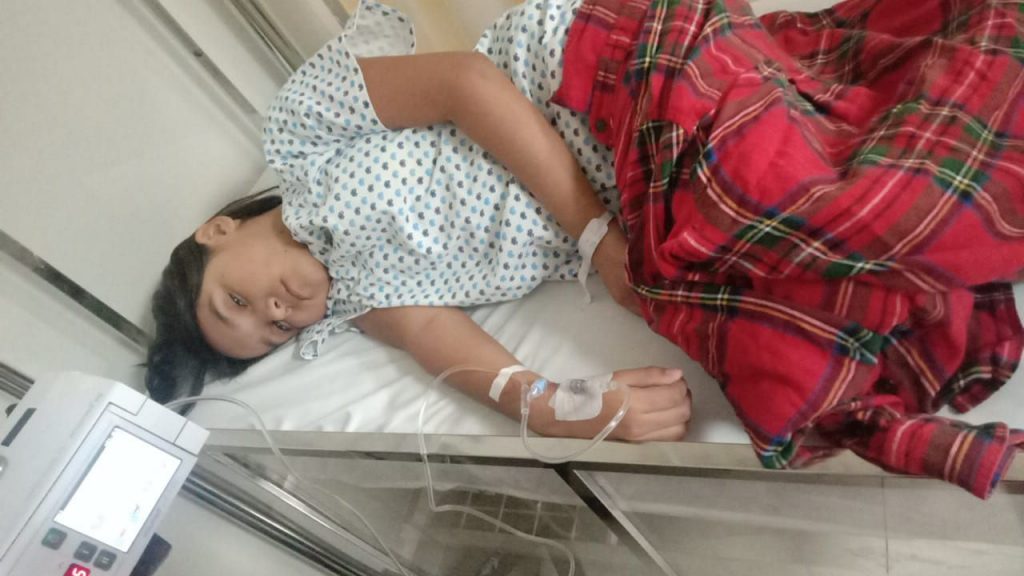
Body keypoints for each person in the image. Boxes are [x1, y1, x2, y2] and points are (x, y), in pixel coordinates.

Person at [146, 0, 693, 442]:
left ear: (218, 230)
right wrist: (556, 410)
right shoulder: (362, 303)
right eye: (278, 331)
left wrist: (596, 236)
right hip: (639, 198)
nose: (275, 312)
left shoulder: (303, 140)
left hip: (567, 86)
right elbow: (436, 337)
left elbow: (464, 83)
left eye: (236, 300)